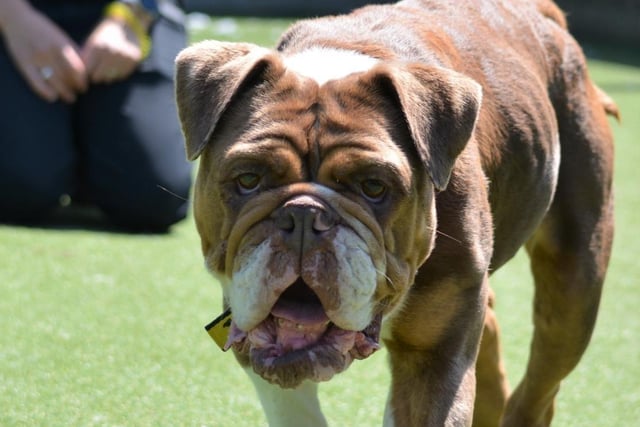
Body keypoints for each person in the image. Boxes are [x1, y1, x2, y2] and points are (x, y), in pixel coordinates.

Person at [0, 0, 192, 232]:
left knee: (154, 196)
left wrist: (130, 15)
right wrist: (13, 17)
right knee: (16, 189)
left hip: (131, 17)